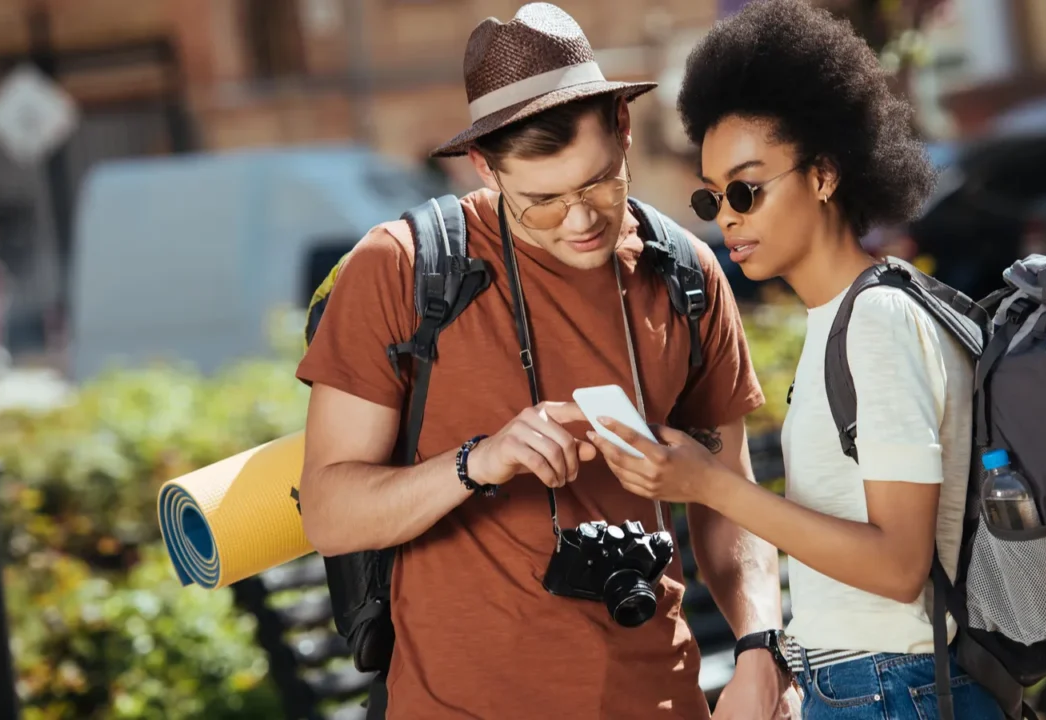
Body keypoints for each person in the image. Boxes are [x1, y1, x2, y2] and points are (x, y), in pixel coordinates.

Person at [295, 4, 796, 719]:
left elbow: (729, 497)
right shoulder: (402, 268)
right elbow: (330, 513)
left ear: (624, 130)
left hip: (663, 699)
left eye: (598, 182)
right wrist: (479, 462)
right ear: (484, 166)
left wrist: (759, 648)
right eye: (542, 201)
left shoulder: (685, 273)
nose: (581, 220)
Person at [588, 1, 1003, 718]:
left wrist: (710, 485)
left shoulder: (875, 321)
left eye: (747, 189)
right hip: (868, 684)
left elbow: (898, 566)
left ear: (823, 175)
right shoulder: (848, 317)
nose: (727, 217)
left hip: (893, 688)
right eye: (712, 196)